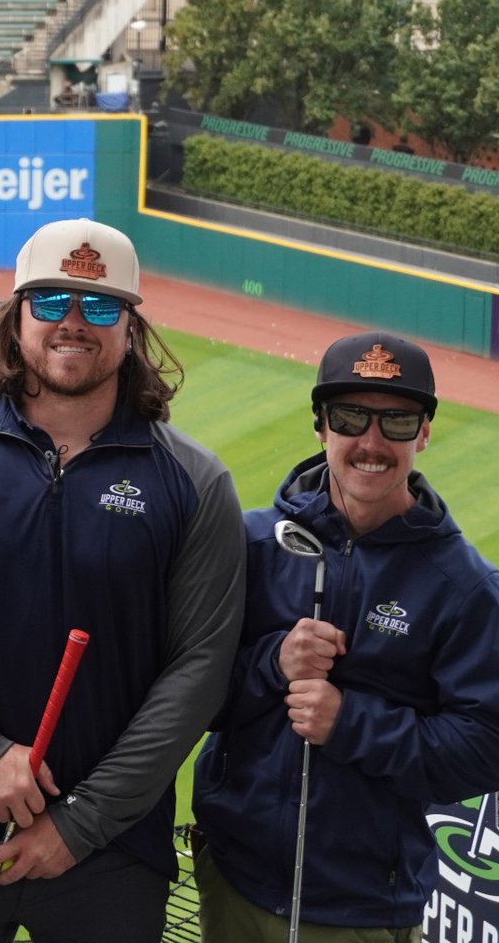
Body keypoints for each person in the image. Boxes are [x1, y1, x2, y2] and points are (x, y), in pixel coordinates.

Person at [0, 217, 246, 943]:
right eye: (51, 303)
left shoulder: (194, 481)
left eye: (100, 307)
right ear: (15, 317)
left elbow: (200, 670)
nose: (74, 324)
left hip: (111, 852)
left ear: (131, 329)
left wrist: (80, 822)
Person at [192, 331, 499, 942]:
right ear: (321, 425)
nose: (372, 442)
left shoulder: (465, 587)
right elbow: (190, 696)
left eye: (398, 421)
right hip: (233, 880)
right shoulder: (250, 543)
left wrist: (349, 722)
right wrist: (271, 663)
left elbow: (484, 750)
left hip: (362, 907)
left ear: (426, 431)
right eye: (350, 417)